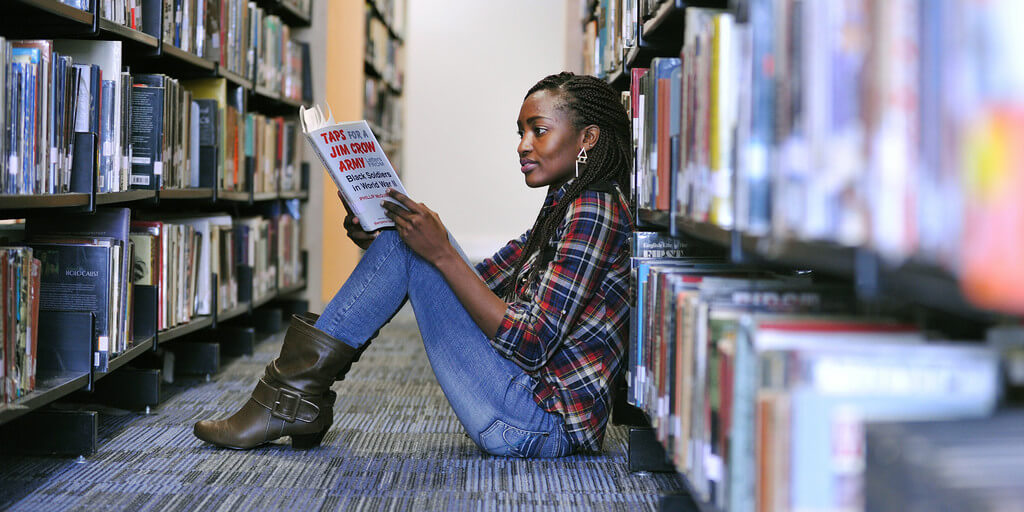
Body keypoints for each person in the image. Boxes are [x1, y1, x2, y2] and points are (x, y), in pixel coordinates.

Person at [193, 72, 634, 458]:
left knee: (417, 248)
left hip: (540, 425)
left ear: (587, 139)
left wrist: (436, 250)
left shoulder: (593, 210)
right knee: (407, 244)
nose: (523, 145)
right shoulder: (565, 204)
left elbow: (531, 343)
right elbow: (478, 282)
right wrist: (386, 235)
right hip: (526, 401)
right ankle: (292, 401)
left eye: (539, 130)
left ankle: (288, 403)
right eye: (520, 132)